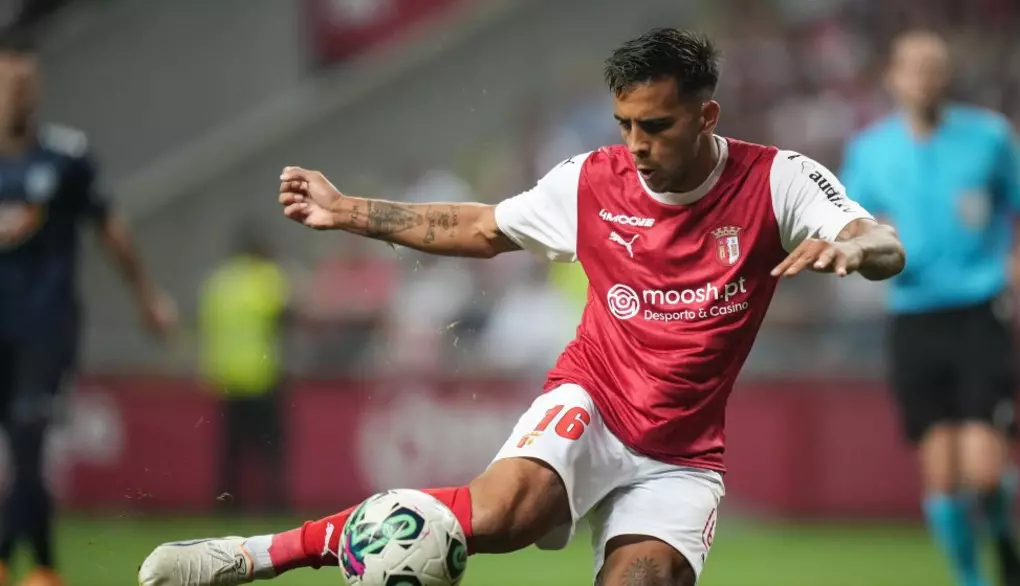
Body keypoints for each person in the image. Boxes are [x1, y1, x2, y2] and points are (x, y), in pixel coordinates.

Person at [139, 28, 905, 586]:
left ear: (706, 117)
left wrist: (855, 250)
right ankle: (254, 555)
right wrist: (349, 212)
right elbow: (480, 227)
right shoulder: (592, 180)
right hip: (594, 399)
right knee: (502, 516)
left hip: (681, 452)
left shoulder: (777, 180)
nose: (637, 145)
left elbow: (879, 240)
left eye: (657, 126)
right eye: (625, 125)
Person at [840, 30, 1020, 586]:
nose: (924, 77)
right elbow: (849, 220)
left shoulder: (988, 137)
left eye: (934, 66)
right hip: (913, 315)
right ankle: (971, 578)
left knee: (984, 470)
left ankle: (1004, 536)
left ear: (947, 75)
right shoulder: (870, 150)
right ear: (893, 77)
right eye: (914, 67)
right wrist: (863, 245)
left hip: (980, 309)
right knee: (942, 476)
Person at [0, 31, 176, 586]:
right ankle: (37, 565)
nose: (19, 93)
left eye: (27, 83)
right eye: (9, 82)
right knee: (22, 454)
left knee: (28, 440)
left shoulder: (66, 157)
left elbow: (111, 229)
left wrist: (146, 295)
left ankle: (32, 566)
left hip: (45, 326)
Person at [199, 224, 289, 513]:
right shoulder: (265, 277)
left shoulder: (219, 282)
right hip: (261, 375)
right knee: (271, 447)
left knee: (231, 449)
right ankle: (273, 503)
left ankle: (227, 505)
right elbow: (286, 314)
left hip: (226, 376)